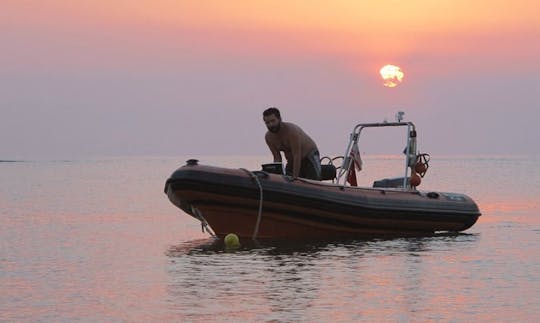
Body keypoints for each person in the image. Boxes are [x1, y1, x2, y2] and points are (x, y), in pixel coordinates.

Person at [263, 107, 321, 180]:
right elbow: (277, 158)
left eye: (273, 121)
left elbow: (297, 155)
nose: (271, 125)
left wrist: (295, 178)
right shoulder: (269, 137)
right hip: (291, 160)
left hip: (309, 155)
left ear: (280, 119)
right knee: (287, 177)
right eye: (267, 123)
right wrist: (275, 175)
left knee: (313, 180)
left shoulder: (291, 131)